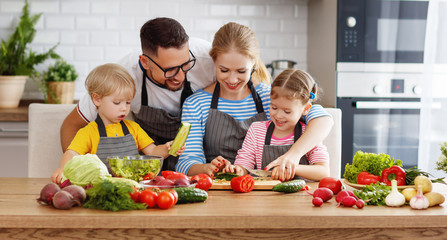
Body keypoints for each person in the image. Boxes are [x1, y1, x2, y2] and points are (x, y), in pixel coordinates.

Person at [176, 22, 333, 181]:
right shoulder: (196, 104)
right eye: (223, 70)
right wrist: (206, 168)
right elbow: (185, 163)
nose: (232, 79)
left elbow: (323, 120)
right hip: (219, 188)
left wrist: (293, 156)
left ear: (253, 65)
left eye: (241, 71)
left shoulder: (270, 97)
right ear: (214, 63)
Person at [59, 18, 215, 171]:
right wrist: (80, 171)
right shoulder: (123, 76)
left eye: (186, 65)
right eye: (170, 70)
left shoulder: (208, 59)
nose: (180, 76)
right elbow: (71, 125)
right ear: (145, 62)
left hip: (198, 151)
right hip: (148, 160)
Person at [51, 63, 185, 184]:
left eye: (128, 102)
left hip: (133, 187)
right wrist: (63, 169)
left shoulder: (133, 128)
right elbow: (72, 153)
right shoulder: (89, 131)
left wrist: (168, 148)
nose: (124, 108)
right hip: (102, 187)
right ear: (97, 99)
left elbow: (153, 151)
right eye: (117, 102)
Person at [224, 69, 330, 181]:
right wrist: (237, 170)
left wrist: (290, 167)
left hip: (302, 196)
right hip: (264, 196)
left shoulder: (308, 134)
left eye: (287, 111)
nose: (279, 115)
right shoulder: (257, 130)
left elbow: (323, 172)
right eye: (274, 107)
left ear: (305, 109)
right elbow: (244, 165)